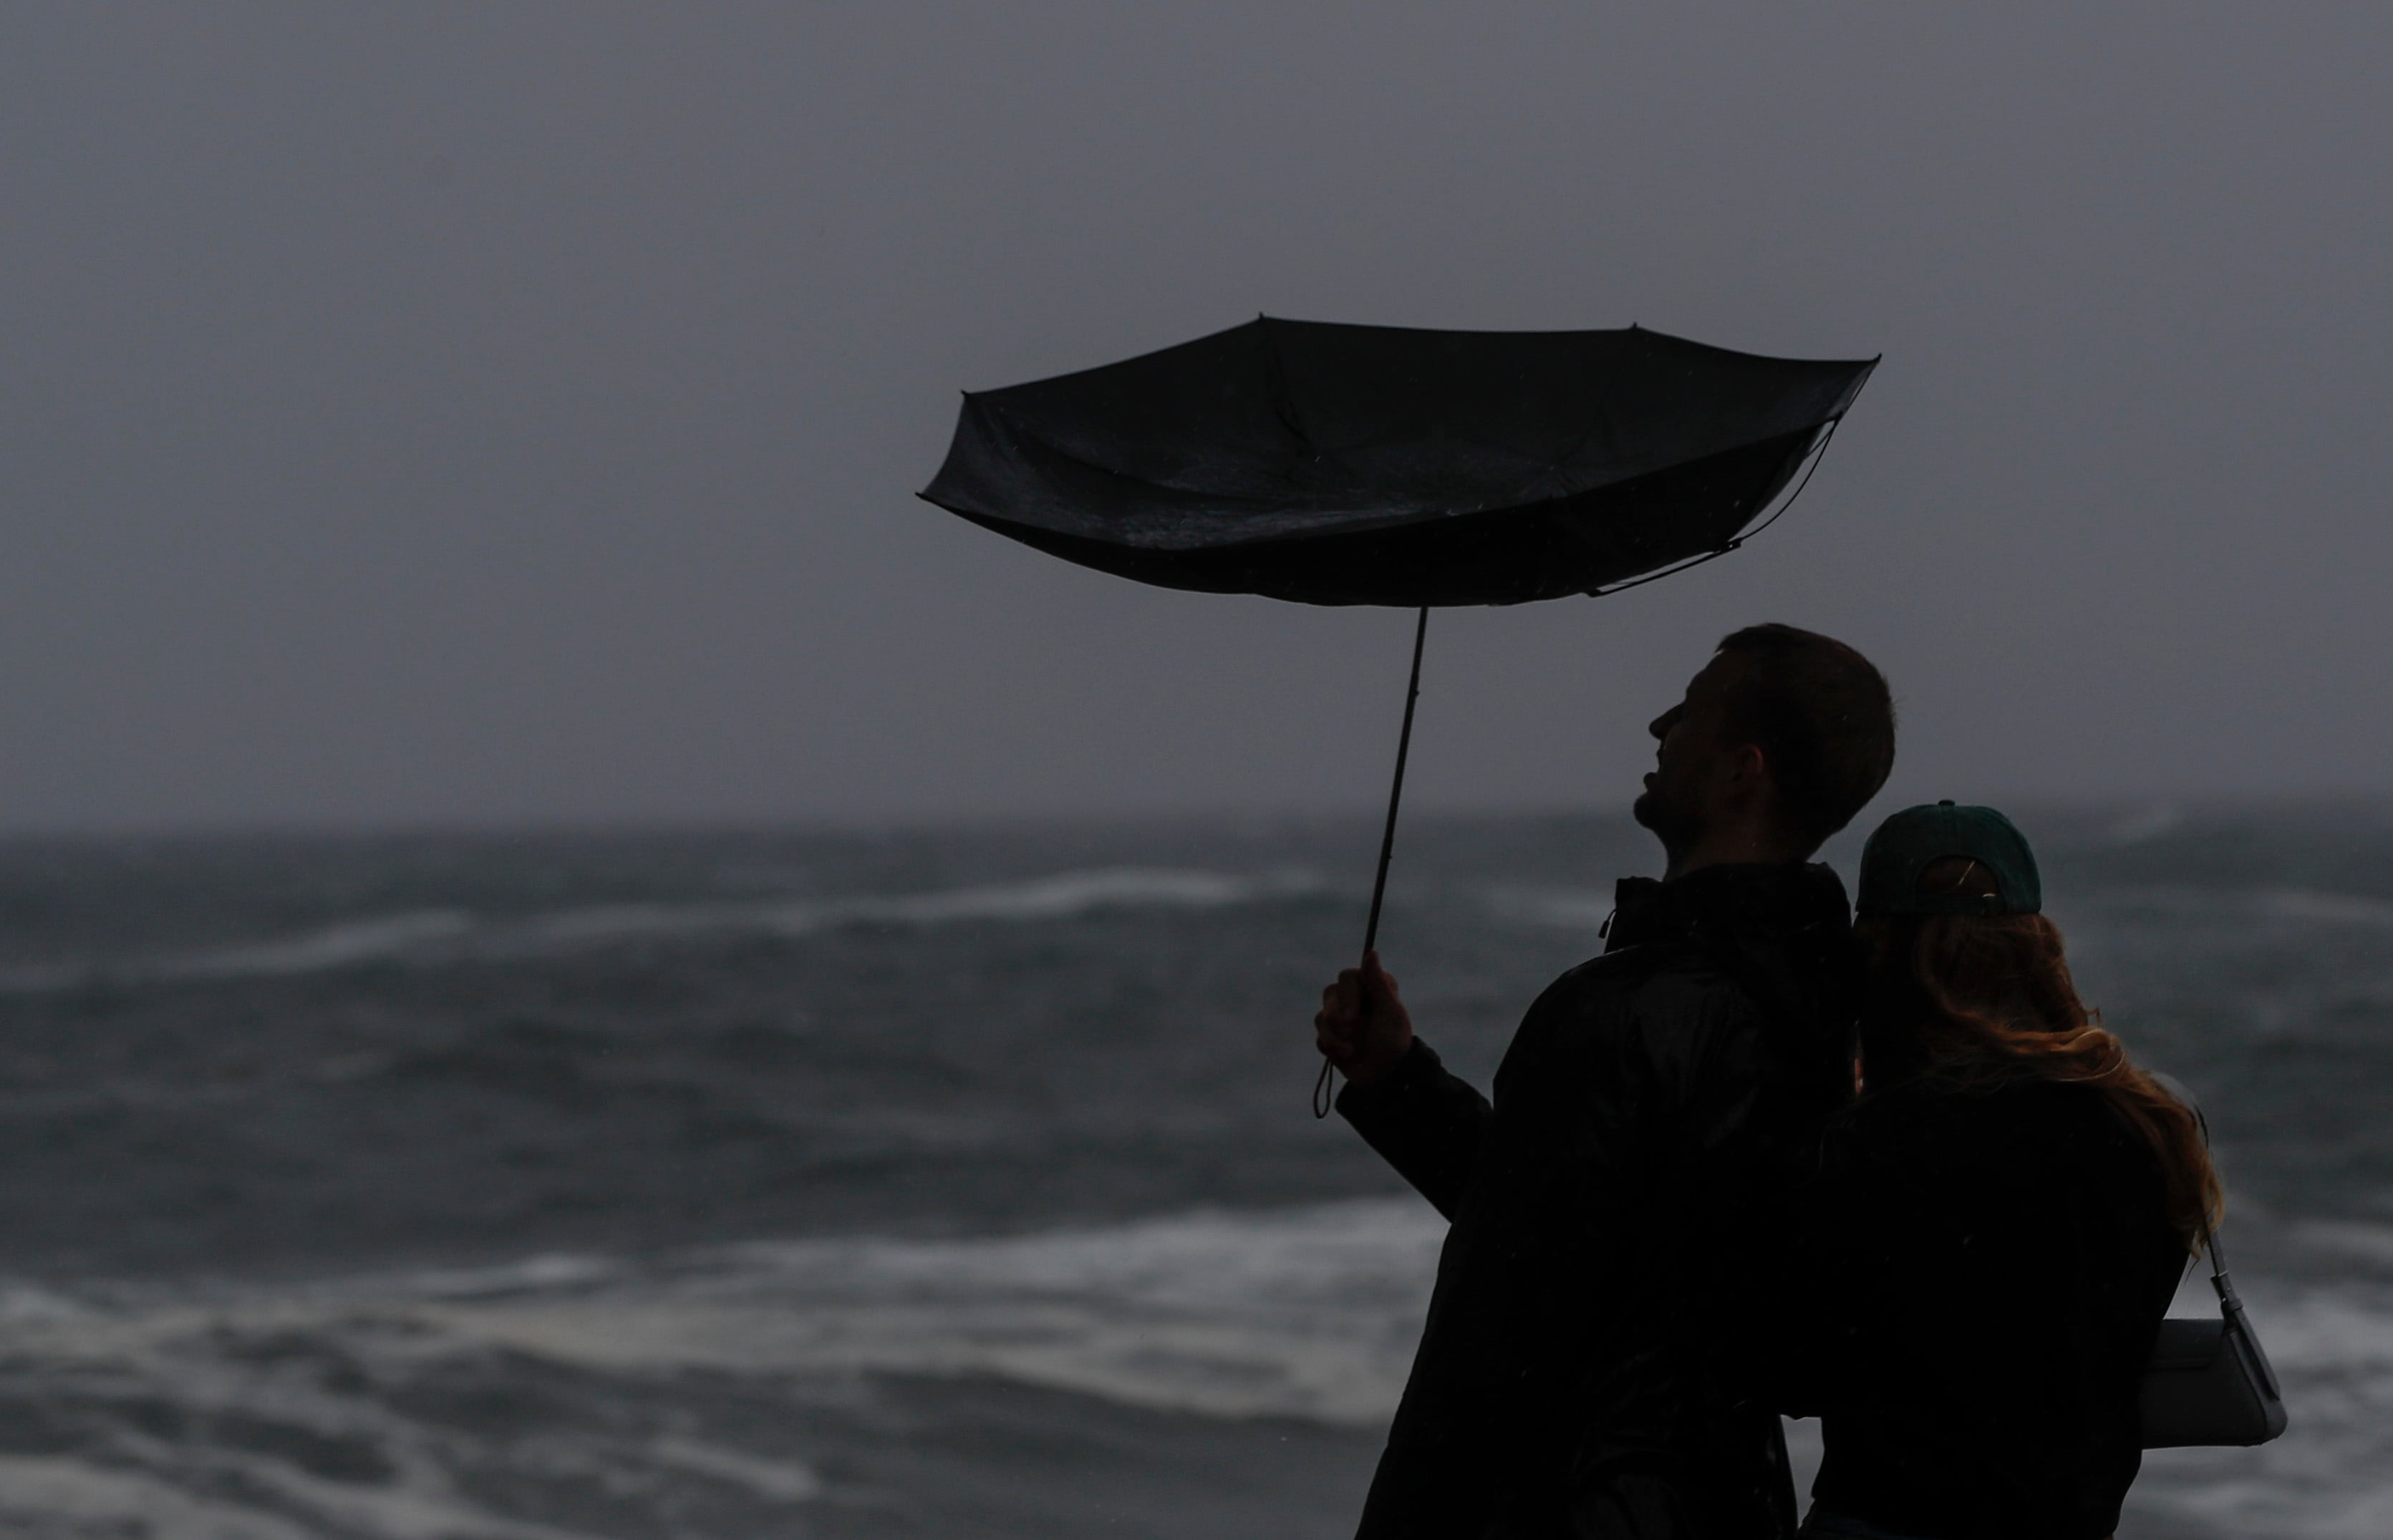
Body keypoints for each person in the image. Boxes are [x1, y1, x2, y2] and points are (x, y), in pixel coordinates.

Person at [1315, 623, 1897, 1539]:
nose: (1661, 725)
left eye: (1693, 709)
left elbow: (1518, 1300)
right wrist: (1399, 1082)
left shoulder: (1622, 1008)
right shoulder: (1829, 1015)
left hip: (1563, 1503)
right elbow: (1606, 1241)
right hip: (1722, 1503)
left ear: (1743, 769)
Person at [1782, 803, 2219, 1539]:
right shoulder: (2146, 1126)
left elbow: (1796, 1369)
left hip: (1885, 1519)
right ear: (2037, 947)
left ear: (1877, 953)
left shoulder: (1868, 1143)